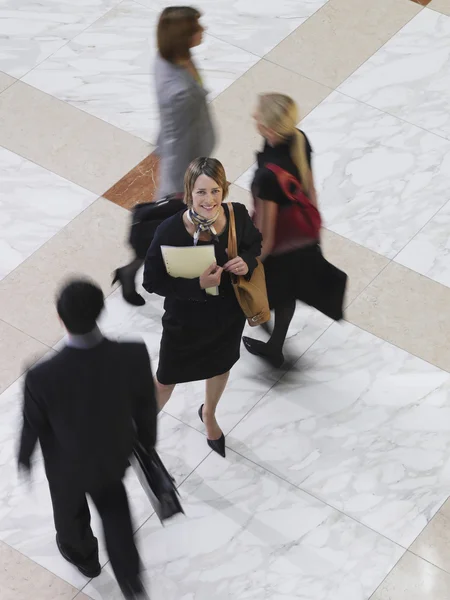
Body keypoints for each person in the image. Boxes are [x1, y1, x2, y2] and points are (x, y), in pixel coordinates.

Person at [17, 279, 157, 600]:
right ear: (101, 310)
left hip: (65, 464)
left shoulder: (42, 376)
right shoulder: (133, 354)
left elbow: (33, 424)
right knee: (116, 513)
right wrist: (146, 443)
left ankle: (84, 557)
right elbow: (145, 406)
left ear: (60, 317)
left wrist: (24, 457)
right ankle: (132, 584)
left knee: (69, 513)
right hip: (112, 455)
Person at [143, 158, 261, 458]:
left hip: (227, 317)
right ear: (188, 192)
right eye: (201, 192)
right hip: (185, 322)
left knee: (220, 367)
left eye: (215, 191)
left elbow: (255, 244)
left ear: (224, 189)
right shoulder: (169, 232)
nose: (209, 200)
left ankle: (208, 414)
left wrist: (246, 260)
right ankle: (141, 430)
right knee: (166, 378)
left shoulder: (237, 216)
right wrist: (196, 284)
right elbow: (151, 281)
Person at [113, 6, 215, 307]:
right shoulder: (178, 91)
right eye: (198, 27)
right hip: (183, 172)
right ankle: (133, 272)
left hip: (191, 160)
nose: (203, 30)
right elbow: (178, 142)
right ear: (184, 37)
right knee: (168, 234)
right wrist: (183, 187)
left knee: (172, 232)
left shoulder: (173, 58)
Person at [243, 93, 347, 368]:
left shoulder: (267, 176)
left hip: (278, 248)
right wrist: (313, 235)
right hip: (302, 238)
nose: (253, 116)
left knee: (260, 292)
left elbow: (267, 234)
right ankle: (275, 345)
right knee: (287, 293)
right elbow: (310, 191)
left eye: (257, 115)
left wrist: (250, 262)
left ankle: (269, 336)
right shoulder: (299, 139)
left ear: (267, 129)